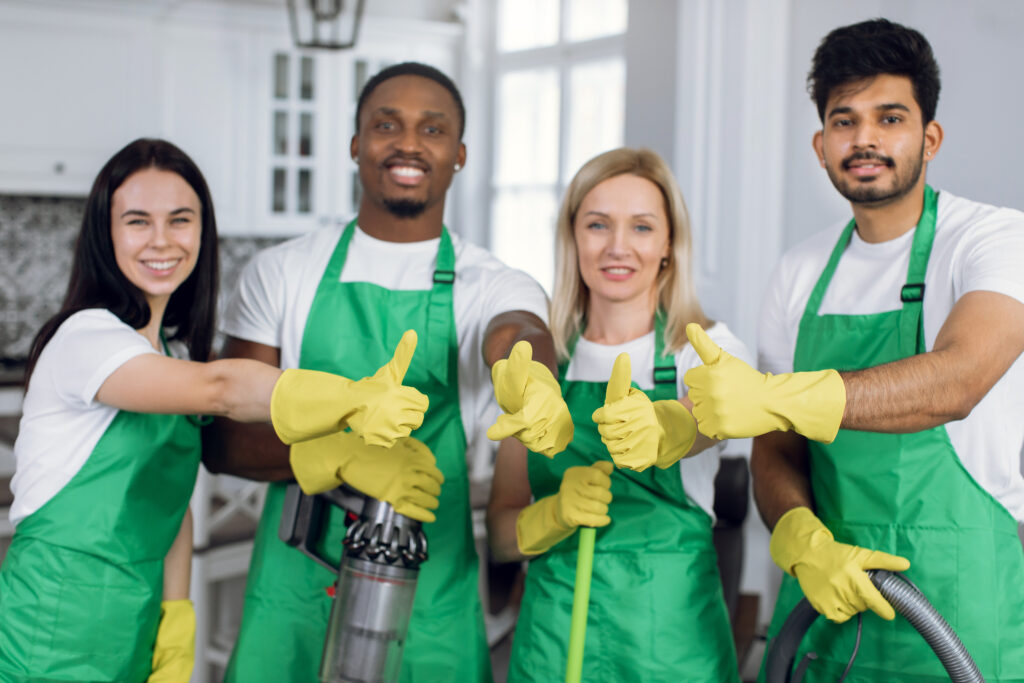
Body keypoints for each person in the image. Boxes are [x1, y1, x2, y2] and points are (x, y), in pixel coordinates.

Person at [0, 138, 432, 683]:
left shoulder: (170, 355)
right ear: (105, 236)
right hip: (49, 629)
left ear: (202, 232)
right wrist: (350, 400)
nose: (162, 240)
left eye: (180, 220)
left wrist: (176, 627)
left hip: (132, 628)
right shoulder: (85, 339)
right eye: (137, 221)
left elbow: (171, 505)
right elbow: (221, 388)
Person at [683, 19, 1024, 682]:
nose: (864, 138)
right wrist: (799, 537)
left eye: (889, 117)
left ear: (930, 138)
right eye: (845, 120)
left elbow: (957, 380)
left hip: (964, 606)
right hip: (827, 608)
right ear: (820, 144)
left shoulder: (994, 240)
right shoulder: (799, 271)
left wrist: (776, 396)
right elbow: (777, 449)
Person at [207, 62, 561, 682]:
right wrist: (338, 453)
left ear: (459, 153)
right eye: (386, 124)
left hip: (429, 590)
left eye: (432, 129)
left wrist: (529, 374)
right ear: (354, 145)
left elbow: (518, 330)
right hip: (296, 581)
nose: (408, 143)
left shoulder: (489, 281)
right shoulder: (283, 272)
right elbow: (224, 439)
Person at [487, 147, 750, 681]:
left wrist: (670, 427)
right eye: (598, 225)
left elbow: (718, 409)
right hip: (553, 649)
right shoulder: (542, 366)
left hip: (670, 650)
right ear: (573, 238)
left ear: (669, 244)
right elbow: (500, 531)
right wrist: (552, 515)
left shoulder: (702, 349)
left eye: (642, 227)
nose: (617, 247)